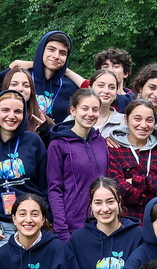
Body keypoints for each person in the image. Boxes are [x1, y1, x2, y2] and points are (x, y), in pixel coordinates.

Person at [0, 89, 47, 243]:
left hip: (33, 221)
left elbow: (45, 184)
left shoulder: (34, 141)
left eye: (18, 111)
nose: (11, 116)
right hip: (0, 228)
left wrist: (45, 217)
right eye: (5, 110)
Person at [65, 178, 144, 269]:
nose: (105, 208)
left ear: (119, 202)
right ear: (91, 205)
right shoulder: (78, 239)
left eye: (110, 202)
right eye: (98, 203)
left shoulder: (138, 236)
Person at [45, 88, 110, 238]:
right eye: (85, 108)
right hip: (72, 227)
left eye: (95, 109)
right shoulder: (58, 144)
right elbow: (55, 189)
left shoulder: (101, 142)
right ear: (73, 111)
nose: (90, 114)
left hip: (102, 224)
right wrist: (62, 230)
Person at [107, 97, 157, 222]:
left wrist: (134, 181)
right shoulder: (114, 150)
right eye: (137, 119)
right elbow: (117, 188)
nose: (144, 125)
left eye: (149, 120)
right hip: (126, 221)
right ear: (126, 119)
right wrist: (154, 191)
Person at [29, 29, 80, 120]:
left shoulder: (71, 87)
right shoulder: (22, 77)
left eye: (62, 53)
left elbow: (96, 92)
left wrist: (67, 71)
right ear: (42, 50)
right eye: (51, 50)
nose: (56, 56)